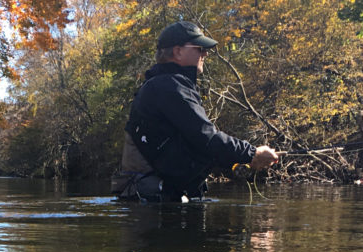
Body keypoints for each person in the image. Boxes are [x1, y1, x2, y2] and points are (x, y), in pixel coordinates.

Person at [113, 21, 279, 201]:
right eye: (200, 48)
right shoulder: (169, 87)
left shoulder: (166, 85)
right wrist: (252, 153)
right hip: (150, 206)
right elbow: (206, 137)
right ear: (177, 52)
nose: (205, 53)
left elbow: (197, 144)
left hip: (155, 201)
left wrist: (244, 157)